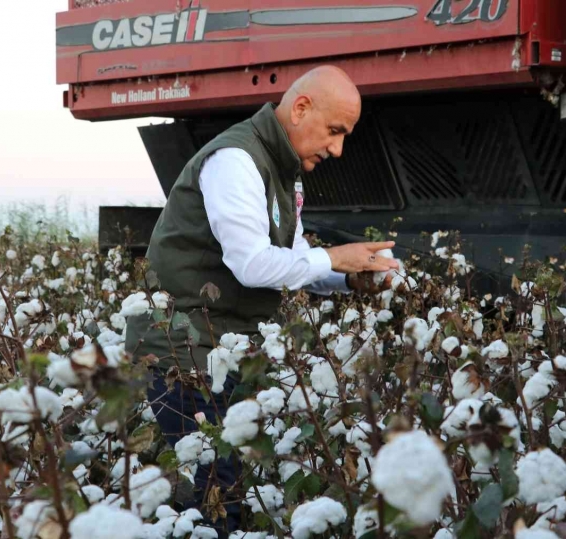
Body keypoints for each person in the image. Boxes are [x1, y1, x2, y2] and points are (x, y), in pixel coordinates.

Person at [124, 65, 398, 534]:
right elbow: (251, 264)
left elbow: (287, 261)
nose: (338, 148)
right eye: (334, 131)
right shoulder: (236, 160)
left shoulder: (279, 168)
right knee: (213, 503)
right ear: (301, 108)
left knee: (226, 491)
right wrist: (334, 257)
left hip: (220, 353)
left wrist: (352, 278)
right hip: (185, 354)